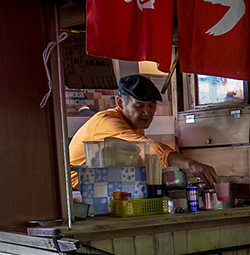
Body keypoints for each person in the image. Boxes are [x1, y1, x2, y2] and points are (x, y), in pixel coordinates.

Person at [69, 74, 217, 189]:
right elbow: (146, 147)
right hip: (79, 191)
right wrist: (189, 164)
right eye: (139, 106)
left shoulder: (132, 123)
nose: (147, 113)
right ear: (120, 102)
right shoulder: (106, 122)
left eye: (151, 106)